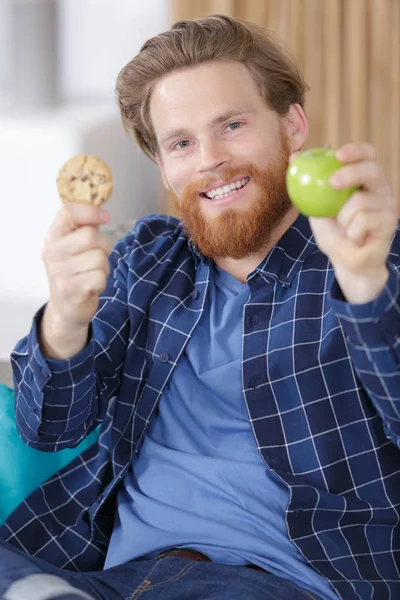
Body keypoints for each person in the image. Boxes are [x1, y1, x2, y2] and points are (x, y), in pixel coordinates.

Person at [1, 13, 398, 600]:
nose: (209, 158)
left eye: (232, 125)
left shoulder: (372, 259)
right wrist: (63, 317)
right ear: (163, 165)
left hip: (277, 581)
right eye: (182, 143)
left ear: (292, 126)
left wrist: (366, 285)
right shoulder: (148, 260)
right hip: (105, 570)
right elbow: (47, 425)